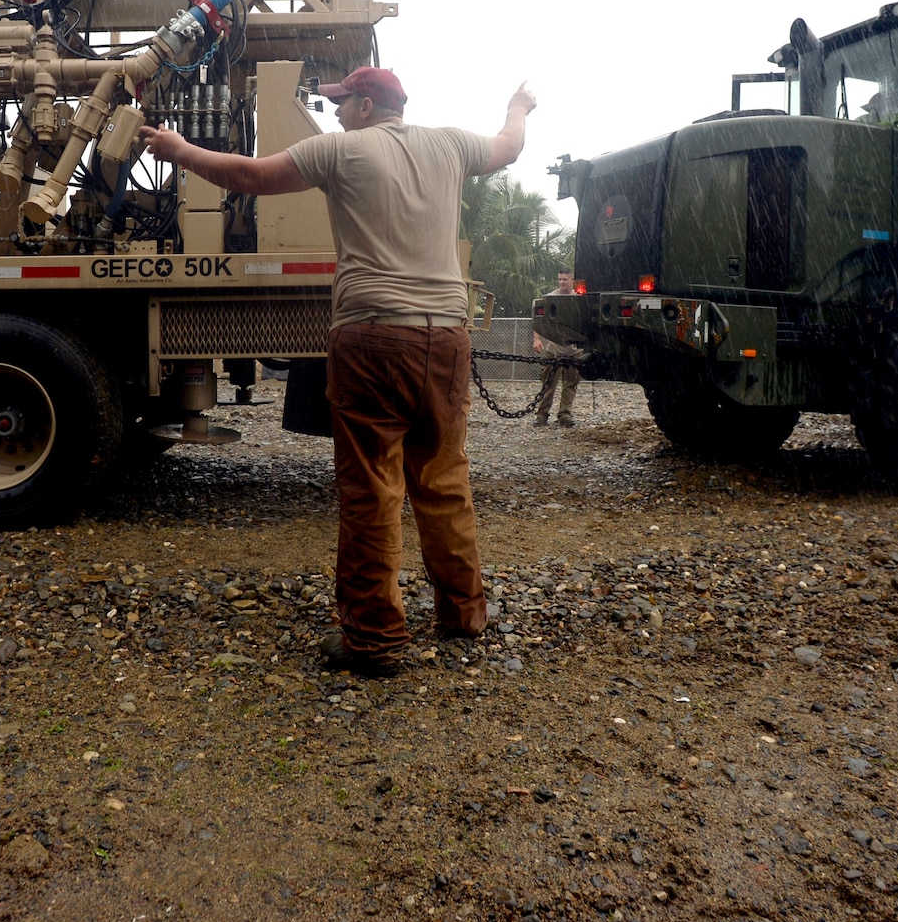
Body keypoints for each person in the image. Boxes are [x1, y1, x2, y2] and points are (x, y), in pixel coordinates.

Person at [140, 66, 534, 677]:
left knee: (372, 490)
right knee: (444, 479)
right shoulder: (451, 144)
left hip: (373, 336)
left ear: (366, 103)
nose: (336, 111)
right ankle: (464, 613)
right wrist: (518, 107)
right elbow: (509, 146)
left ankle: (374, 640)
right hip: (447, 339)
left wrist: (179, 149)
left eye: (342, 101)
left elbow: (249, 176)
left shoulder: (343, 150)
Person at [531, 270, 581, 428]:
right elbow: (538, 320)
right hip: (554, 348)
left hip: (576, 349)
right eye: (559, 279)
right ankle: (542, 414)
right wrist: (537, 340)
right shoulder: (551, 298)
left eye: (565, 279)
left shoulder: (580, 298)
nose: (561, 282)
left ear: (572, 280)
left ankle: (565, 414)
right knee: (548, 384)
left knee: (571, 384)